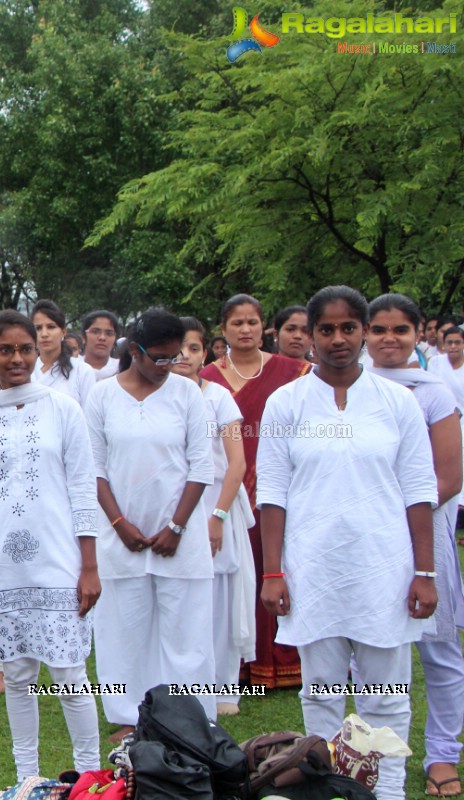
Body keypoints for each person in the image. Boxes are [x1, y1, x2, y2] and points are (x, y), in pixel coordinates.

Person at [258, 286, 437, 800]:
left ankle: (388, 791)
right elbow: (272, 492)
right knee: (322, 694)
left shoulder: (397, 403)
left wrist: (424, 573)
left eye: (348, 328)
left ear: (362, 332)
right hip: (313, 566)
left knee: (387, 695)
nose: (338, 339)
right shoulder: (285, 403)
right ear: (309, 335)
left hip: (385, 565)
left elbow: (419, 492)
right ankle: (328, 789)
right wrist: (274, 571)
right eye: (326, 329)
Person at [0, 310, 102, 779]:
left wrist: (89, 566)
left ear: (38, 350)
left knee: (69, 674)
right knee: (17, 678)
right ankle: (28, 778)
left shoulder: (63, 409)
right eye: (5, 350)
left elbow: (83, 488)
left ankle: (88, 775)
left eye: (25, 348)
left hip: (58, 560)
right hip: (1, 566)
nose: (16, 358)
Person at [87, 309, 216, 736]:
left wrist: (176, 528)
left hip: (180, 537)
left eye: (174, 358)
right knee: (122, 633)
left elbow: (201, 467)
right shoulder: (102, 396)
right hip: (121, 539)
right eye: (158, 358)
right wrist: (120, 523)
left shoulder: (187, 394)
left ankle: (191, 720)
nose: (166, 367)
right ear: (134, 350)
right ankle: (127, 717)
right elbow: (94, 469)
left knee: (188, 635)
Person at [366, 293, 464, 798]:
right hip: (364, 538)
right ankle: (369, 755)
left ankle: (443, 756)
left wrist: (404, 522)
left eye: (399, 330)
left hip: (425, 533)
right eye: (378, 329)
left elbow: (448, 476)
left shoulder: (433, 393)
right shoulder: (346, 388)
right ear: (364, 333)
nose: (388, 339)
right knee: (368, 648)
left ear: (417, 334)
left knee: (439, 650)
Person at [199, 294, 311, 689]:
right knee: (232, 578)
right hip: (223, 493)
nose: (245, 330)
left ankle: (287, 659)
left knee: (278, 568)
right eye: (236, 323)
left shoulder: (296, 372)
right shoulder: (206, 379)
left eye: (251, 322)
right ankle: (237, 664)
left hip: (280, 488)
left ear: (264, 326)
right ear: (223, 329)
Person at [172, 318, 255, 717]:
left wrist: (218, 516)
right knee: (180, 599)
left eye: (193, 349)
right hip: (174, 510)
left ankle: (222, 688)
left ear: (206, 353)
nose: (184, 357)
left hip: (216, 506)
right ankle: (179, 688)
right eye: (178, 349)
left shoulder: (218, 397)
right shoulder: (159, 397)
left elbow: (236, 463)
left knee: (219, 599)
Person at [31, 299, 96, 407]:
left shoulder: (82, 371)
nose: (44, 334)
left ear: (63, 332)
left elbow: (88, 417)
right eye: (38, 328)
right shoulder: (26, 370)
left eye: (51, 327)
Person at [80, 310, 120, 380]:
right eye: (95, 332)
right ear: (83, 337)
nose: (102, 337)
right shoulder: (71, 368)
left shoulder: (122, 370)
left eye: (109, 333)